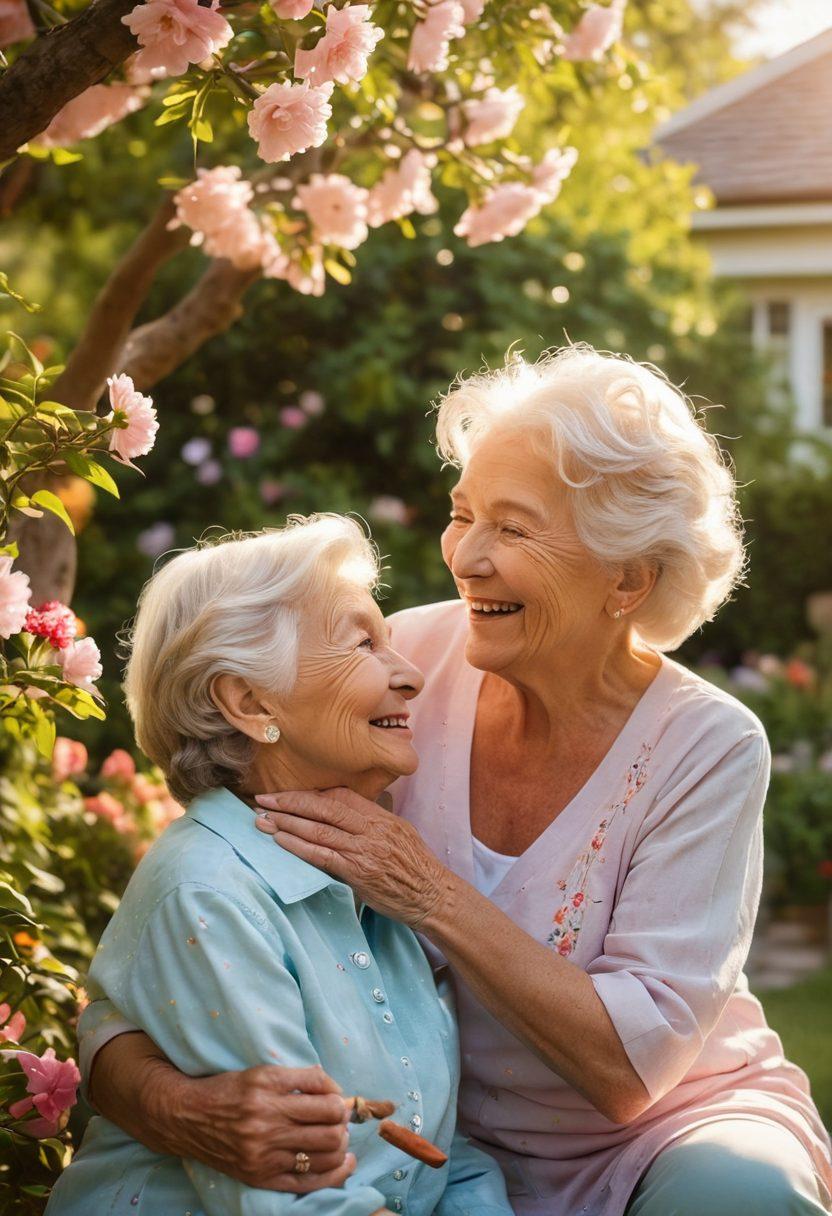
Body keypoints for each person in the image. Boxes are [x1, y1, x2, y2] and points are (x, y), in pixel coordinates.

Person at [78, 349, 832, 1215]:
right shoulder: (409, 666)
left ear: (627, 576)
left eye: (513, 528)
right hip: (440, 1142)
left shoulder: (708, 745)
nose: (465, 558)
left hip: (663, 1127)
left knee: (740, 1194)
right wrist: (172, 1102)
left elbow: (632, 1076)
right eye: (461, 514)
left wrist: (427, 890)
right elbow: (191, 925)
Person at [46, 516, 513, 1216]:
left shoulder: (365, 873)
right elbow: (295, 1199)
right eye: (363, 643)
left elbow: (434, 1155)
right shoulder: (209, 892)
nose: (411, 676)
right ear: (251, 702)